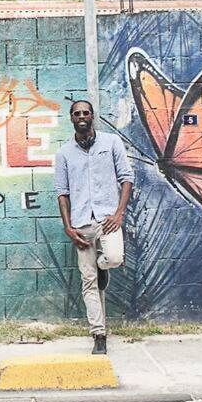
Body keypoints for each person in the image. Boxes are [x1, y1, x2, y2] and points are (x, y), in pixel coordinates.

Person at [53, 100, 134, 355]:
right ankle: (98, 334)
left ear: (92, 116)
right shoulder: (64, 154)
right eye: (77, 114)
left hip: (107, 220)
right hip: (81, 223)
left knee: (113, 257)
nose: (82, 117)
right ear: (71, 118)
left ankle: (103, 267)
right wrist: (68, 227)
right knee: (88, 282)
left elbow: (127, 178)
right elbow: (62, 193)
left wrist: (119, 213)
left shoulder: (111, 143)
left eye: (86, 113)